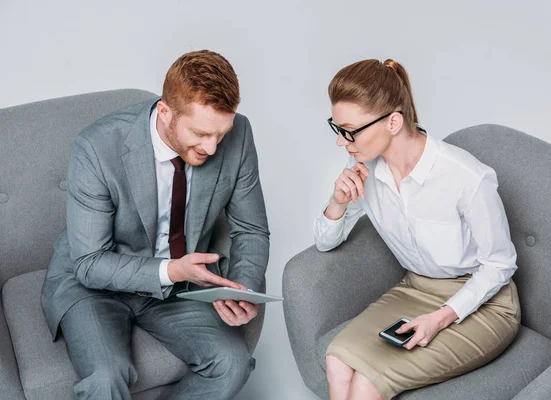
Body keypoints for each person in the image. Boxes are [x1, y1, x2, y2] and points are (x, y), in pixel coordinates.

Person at [41, 50, 270, 400]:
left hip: (179, 284)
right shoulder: (97, 149)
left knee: (233, 363)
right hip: (94, 284)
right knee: (106, 377)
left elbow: (250, 229)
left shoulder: (238, 134)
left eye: (220, 134)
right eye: (200, 133)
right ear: (165, 112)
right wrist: (173, 271)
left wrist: (242, 289)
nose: (212, 147)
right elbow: (88, 263)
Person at [314, 59, 521, 400]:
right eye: (337, 129)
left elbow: (500, 265)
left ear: (393, 122)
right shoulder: (362, 165)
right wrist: (337, 202)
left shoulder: (467, 178)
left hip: (487, 303)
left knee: (367, 383)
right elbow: (325, 243)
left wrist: (438, 319)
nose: (342, 142)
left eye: (350, 130)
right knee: (337, 361)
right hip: (416, 289)